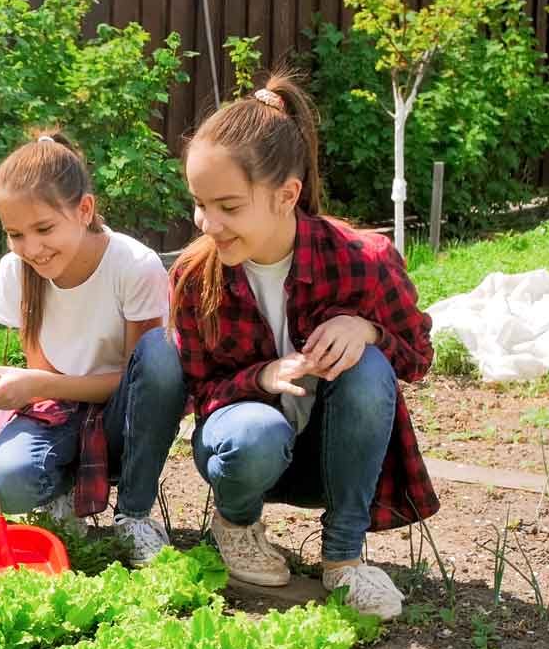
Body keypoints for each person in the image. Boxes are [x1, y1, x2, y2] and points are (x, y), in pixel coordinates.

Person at [171, 74, 438, 619]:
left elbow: (417, 356)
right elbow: (200, 392)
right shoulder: (195, 276)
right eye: (200, 204)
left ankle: (343, 560)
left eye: (228, 206)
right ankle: (237, 525)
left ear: (286, 194)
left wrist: (369, 332)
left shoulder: (363, 259)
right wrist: (262, 378)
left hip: (331, 460)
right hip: (247, 453)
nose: (209, 223)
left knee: (368, 369)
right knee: (255, 432)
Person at [0, 129, 184, 562]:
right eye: (16, 234)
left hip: (129, 415)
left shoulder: (133, 266)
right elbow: (41, 381)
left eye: (44, 228)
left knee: (163, 353)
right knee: (8, 480)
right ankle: (60, 496)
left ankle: (135, 516)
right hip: (62, 409)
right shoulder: (17, 270)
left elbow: (143, 379)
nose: (32, 249)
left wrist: (37, 384)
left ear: (85, 210)